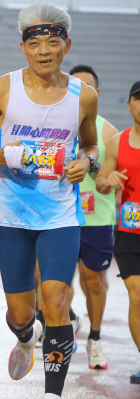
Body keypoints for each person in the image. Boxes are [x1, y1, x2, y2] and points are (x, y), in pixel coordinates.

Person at [0, 2, 99, 398]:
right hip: (12, 214)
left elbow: (90, 145)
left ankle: (53, 393)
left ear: (66, 45)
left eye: (52, 42)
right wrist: (1, 155)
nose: (43, 51)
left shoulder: (84, 96)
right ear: (23, 48)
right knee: (21, 313)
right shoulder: (2, 88)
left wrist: (86, 162)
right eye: (34, 44)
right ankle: (24, 336)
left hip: (60, 213)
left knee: (55, 300)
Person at [69, 64, 118, 369]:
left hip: (96, 219)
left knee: (94, 282)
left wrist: (95, 166)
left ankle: (95, 339)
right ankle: (64, 326)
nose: (80, 94)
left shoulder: (109, 133)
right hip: (59, 215)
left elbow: (115, 176)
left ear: (96, 94)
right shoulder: (53, 124)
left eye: (86, 89)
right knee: (53, 280)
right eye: (74, 87)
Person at [96, 80, 140, 384]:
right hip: (129, 230)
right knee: (136, 294)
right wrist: (108, 180)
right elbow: (100, 181)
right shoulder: (117, 142)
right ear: (129, 105)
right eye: (138, 99)